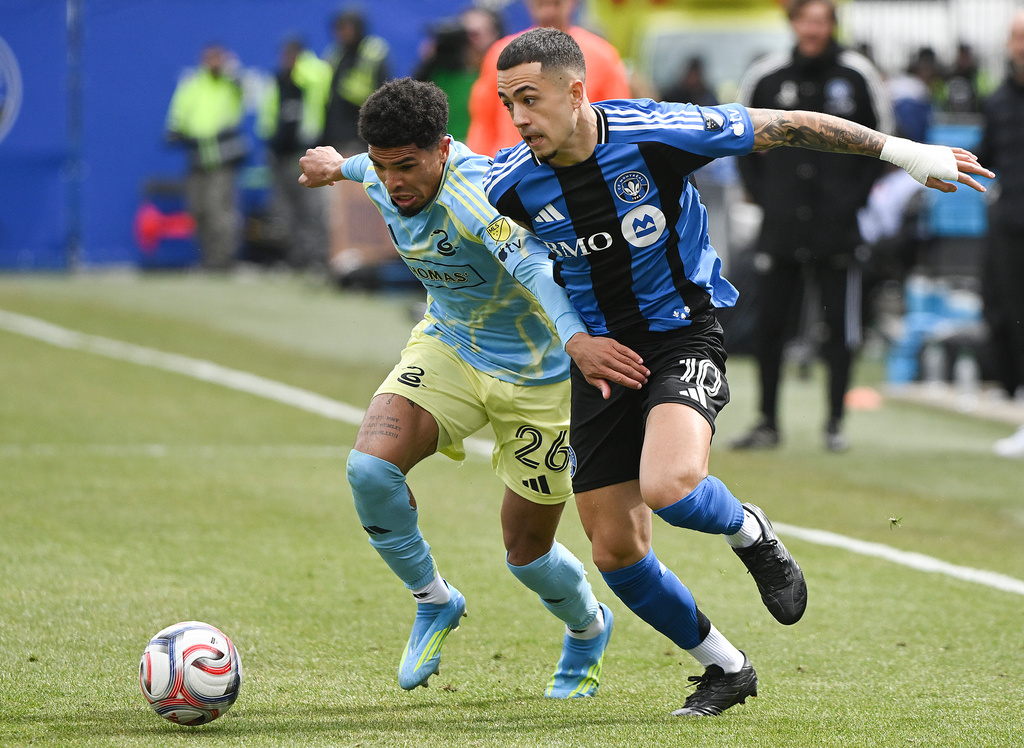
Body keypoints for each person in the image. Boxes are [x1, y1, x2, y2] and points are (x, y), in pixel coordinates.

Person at [482, 27, 990, 717]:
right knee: (614, 550)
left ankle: (751, 532)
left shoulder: (658, 133)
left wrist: (903, 152)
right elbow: (510, 246)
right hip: (601, 358)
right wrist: (574, 337)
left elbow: (785, 125)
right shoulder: (513, 182)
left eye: (530, 100)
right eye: (508, 101)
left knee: (670, 485)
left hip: (681, 337)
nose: (517, 117)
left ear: (577, 93)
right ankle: (725, 667)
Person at [298, 78, 650, 695]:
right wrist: (337, 166)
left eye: (406, 166)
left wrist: (575, 341)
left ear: (442, 148)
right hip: (451, 347)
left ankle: (588, 627)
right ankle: (433, 599)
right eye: (382, 167)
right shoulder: (383, 172)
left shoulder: (478, 196)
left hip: (540, 379)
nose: (392, 182)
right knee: (369, 470)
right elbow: (362, 165)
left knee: (528, 554)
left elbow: (537, 271)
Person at [731, 0, 895, 452]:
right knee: (770, 324)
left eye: (821, 20)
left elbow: (884, 141)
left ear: (832, 24)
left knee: (840, 328)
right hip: (781, 224)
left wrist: (852, 200)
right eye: (805, 19)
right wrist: (766, 197)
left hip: (836, 227)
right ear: (793, 23)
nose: (813, 29)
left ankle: (835, 423)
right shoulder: (767, 75)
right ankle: (767, 421)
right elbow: (737, 139)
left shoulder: (857, 75)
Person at [466, 0, 630, 157]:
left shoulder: (602, 55)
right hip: (512, 170)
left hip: (578, 167)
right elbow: (483, 123)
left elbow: (616, 120)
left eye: (556, 3)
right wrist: (483, 171)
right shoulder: (501, 54)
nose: (549, 11)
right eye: (542, 3)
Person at [978, 10, 1024, 459]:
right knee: (1012, 318)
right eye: (1016, 38)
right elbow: (986, 158)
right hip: (1011, 226)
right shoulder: (998, 101)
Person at [320, 7, 394, 277]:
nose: (343, 33)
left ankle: (370, 263)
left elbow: (379, 95)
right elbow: (327, 100)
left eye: (348, 27)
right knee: (337, 210)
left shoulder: (374, 51)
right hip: (337, 142)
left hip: (363, 141)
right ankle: (340, 261)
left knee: (369, 205)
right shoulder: (334, 54)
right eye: (339, 28)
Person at [165, 43, 247, 270]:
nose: (212, 63)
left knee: (220, 210)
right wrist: (174, 130)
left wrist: (232, 68)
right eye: (208, 58)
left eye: (217, 58)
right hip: (196, 155)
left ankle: (224, 260)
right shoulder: (192, 84)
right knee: (198, 210)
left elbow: (244, 89)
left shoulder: (231, 84)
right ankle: (208, 259)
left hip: (222, 156)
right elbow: (178, 111)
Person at [257, 37, 332, 272]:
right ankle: (294, 259)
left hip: (308, 153)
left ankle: (317, 259)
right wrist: (272, 143)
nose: (287, 61)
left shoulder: (314, 74)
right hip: (282, 155)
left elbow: (318, 83)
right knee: (285, 211)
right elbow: (269, 116)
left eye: (292, 56)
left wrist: (301, 68)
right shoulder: (278, 80)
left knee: (311, 209)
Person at [414, 8, 504, 142]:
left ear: (495, 35)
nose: (469, 41)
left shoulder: (500, 76)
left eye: (475, 34)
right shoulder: (440, 74)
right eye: (464, 33)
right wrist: (430, 59)